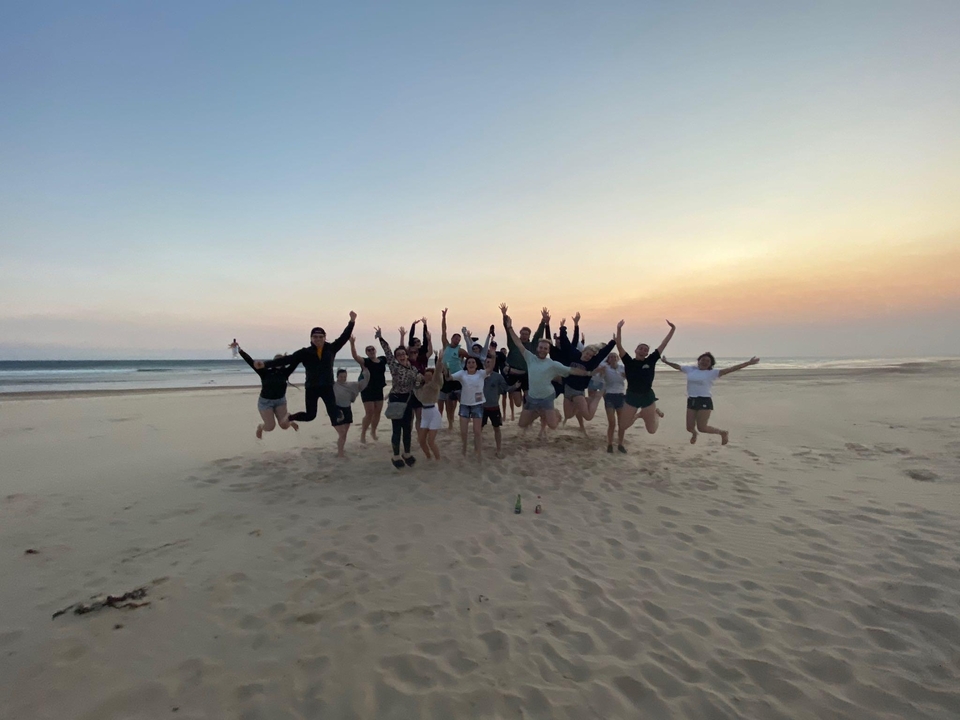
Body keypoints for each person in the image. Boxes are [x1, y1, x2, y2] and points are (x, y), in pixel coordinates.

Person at [501, 304, 591, 435]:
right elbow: (518, 343)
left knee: (553, 426)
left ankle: (554, 413)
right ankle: (538, 411)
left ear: (548, 350)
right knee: (521, 424)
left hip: (547, 397)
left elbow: (571, 370)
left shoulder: (552, 364)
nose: (543, 349)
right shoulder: (530, 358)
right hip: (532, 398)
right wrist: (509, 327)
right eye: (541, 347)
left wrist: (588, 372)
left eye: (545, 348)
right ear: (537, 348)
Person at [264, 312, 357, 428]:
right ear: (311, 338)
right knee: (310, 415)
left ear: (324, 337)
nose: (318, 339)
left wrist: (352, 321)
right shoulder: (305, 352)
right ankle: (290, 417)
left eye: (320, 337)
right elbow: (288, 359)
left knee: (333, 411)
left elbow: (344, 336)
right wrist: (266, 364)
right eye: (315, 337)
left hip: (327, 386)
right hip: (312, 387)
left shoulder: (331, 349)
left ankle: (339, 415)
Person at [663, 352, 760, 445]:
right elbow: (677, 366)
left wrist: (749, 363)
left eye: (708, 361)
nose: (704, 362)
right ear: (699, 360)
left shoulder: (713, 373)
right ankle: (694, 434)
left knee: (702, 427)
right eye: (703, 360)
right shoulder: (691, 369)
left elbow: (732, 369)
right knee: (689, 428)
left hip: (705, 400)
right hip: (691, 400)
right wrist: (666, 362)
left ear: (710, 364)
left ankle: (723, 433)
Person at [612, 320, 675, 452]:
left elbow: (664, 344)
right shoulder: (628, 361)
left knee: (652, 430)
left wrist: (672, 330)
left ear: (647, 353)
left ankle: (654, 414)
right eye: (641, 348)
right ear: (636, 350)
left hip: (647, 397)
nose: (643, 350)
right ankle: (639, 416)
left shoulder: (651, 360)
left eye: (645, 350)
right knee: (623, 426)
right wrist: (619, 328)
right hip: (632, 396)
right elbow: (619, 346)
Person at [559, 313, 616, 434]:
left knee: (588, 416)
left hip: (578, 392)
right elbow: (566, 343)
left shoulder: (592, 363)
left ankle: (596, 397)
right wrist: (564, 328)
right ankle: (584, 402)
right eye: (587, 353)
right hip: (567, 390)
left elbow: (602, 353)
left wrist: (613, 342)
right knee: (568, 415)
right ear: (583, 351)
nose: (588, 356)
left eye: (590, 355)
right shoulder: (574, 355)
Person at [376, 327, 421, 468]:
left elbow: (417, 385)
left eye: (403, 353)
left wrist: (420, 380)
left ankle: (406, 453)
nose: (401, 356)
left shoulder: (413, 369)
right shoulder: (394, 367)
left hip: (408, 400)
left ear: (407, 355)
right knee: (396, 429)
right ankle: (396, 455)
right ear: (396, 358)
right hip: (396, 399)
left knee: (407, 428)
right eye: (398, 355)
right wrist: (381, 338)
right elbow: (388, 352)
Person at [237, 345, 299, 439]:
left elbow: (297, 360)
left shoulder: (286, 372)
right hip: (265, 402)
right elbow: (250, 362)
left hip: (280, 401)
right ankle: (260, 427)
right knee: (270, 427)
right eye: (276, 361)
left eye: (281, 361)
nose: (278, 363)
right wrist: (240, 351)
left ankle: (290, 421)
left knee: (284, 425)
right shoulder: (264, 371)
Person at [501, 307, 550, 414]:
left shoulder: (532, 345)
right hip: (514, 374)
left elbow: (538, 334)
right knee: (518, 402)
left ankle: (526, 415)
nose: (524, 336)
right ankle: (524, 404)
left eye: (526, 334)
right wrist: (504, 315)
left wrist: (543, 321)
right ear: (520, 334)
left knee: (528, 398)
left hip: (528, 375)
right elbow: (508, 332)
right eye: (522, 334)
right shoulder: (514, 344)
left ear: (529, 335)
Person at [450, 355, 497, 461]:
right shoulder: (462, 374)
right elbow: (449, 377)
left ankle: (478, 451)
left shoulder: (481, 373)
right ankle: (464, 448)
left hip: (478, 404)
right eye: (469, 363)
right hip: (464, 405)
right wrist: (445, 367)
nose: (471, 364)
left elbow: (491, 368)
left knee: (477, 431)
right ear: (466, 365)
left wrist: (493, 355)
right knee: (463, 431)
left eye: (473, 362)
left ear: (476, 365)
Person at [349, 337, 386, 443]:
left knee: (378, 412)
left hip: (378, 389)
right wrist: (352, 343)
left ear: (375, 350)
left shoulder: (382, 359)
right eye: (368, 350)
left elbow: (392, 357)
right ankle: (363, 433)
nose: (371, 351)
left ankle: (373, 431)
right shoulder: (365, 362)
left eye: (372, 349)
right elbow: (355, 356)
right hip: (367, 389)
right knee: (369, 412)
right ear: (366, 352)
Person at [482, 354, 517, 457]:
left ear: (493, 364)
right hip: (481, 408)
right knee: (478, 430)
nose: (488, 364)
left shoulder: (498, 376)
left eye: (490, 362)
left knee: (496, 429)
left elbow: (506, 388)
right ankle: (477, 449)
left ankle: (499, 449)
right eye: (486, 362)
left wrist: (515, 386)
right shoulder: (479, 375)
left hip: (494, 407)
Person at [414, 349, 446, 460]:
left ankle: (438, 459)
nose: (427, 377)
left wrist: (440, 360)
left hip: (433, 413)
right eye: (426, 375)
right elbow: (413, 386)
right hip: (425, 414)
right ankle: (428, 457)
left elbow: (437, 372)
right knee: (421, 440)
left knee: (431, 441)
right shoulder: (420, 388)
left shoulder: (435, 385)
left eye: (429, 375)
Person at [333, 364, 370, 457]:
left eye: (345, 376)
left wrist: (365, 371)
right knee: (341, 433)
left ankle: (341, 449)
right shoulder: (332, 385)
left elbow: (363, 383)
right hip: (336, 410)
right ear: (337, 377)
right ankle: (340, 453)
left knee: (344, 433)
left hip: (347, 409)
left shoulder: (351, 385)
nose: (343, 378)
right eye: (341, 376)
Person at [439, 308, 466, 429]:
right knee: (449, 401)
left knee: (459, 399)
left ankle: (463, 418)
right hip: (446, 376)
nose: (457, 340)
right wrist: (444, 317)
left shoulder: (460, 349)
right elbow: (443, 331)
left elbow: (472, 356)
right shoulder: (446, 345)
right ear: (452, 339)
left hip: (458, 377)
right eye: (456, 338)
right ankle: (450, 422)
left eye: (459, 339)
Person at [597, 352, 626, 452]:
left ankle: (620, 444)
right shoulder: (605, 368)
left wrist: (626, 375)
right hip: (609, 395)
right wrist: (601, 372)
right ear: (608, 359)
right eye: (611, 357)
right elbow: (599, 378)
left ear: (618, 358)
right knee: (612, 422)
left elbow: (631, 378)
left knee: (622, 423)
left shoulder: (622, 368)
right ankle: (609, 444)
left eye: (615, 357)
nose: (613, 358)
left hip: (621, 395)